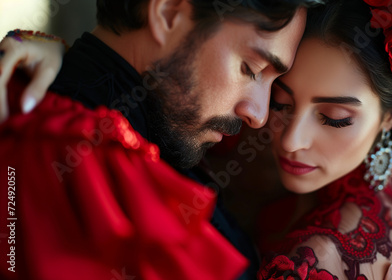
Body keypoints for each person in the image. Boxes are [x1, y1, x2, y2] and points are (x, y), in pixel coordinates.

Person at [0, 0, 312, 279]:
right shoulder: (85, 174)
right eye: (251, 69)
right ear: (167, 13)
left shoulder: (151, 136)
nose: (258, 115)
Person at [251, 0, 392, 279]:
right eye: (280, 102)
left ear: (389, 117)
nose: (290, 141)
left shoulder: (312, 263)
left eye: (335, 118)